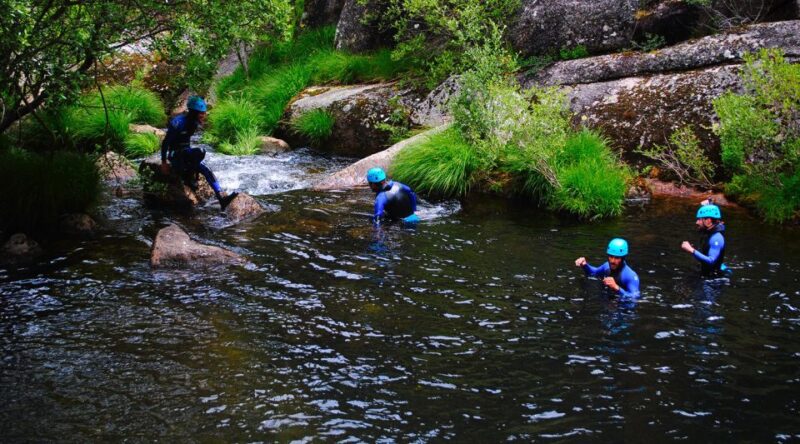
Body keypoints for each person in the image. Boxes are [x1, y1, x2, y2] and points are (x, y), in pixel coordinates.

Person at [160, 95, 238, 210]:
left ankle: (222, 199)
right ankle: (188, 176)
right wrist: (163, 162)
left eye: (204, 113)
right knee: (200, 152)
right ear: (193, 112)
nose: (204, 115)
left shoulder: (194, 123)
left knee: (206, 169)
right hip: (175, 155)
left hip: (186, 155)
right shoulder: (177, 123)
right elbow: (166, 143)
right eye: (201, 113)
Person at [574, 238, 641, 299]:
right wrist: (585, 265)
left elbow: (635, 297)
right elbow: (594, 273)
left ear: (623, 258)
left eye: (617, 258)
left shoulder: (630, 276)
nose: (612, 261)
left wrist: (616, 288)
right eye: (611, 256)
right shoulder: (607, 266)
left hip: (622, 307)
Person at [681, 200, 727, 276]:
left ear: (708, 221)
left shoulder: (716, 238)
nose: (697, 222)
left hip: (714, 279)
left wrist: (692, 250)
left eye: (699, 219)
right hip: (706, 272)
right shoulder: (708, 231)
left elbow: (711, 260)